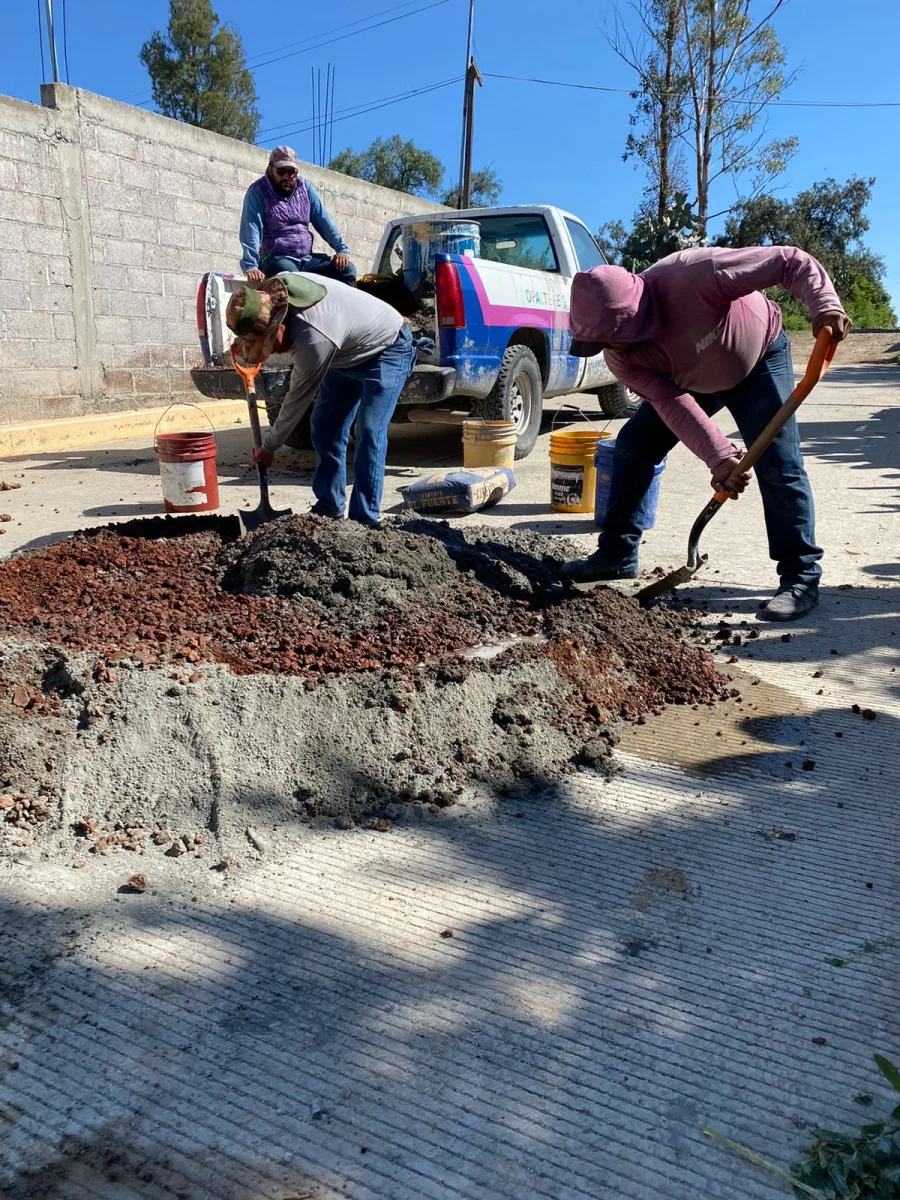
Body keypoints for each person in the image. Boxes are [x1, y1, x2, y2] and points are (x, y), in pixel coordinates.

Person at [562, 247, 851, 621]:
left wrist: (824, 304)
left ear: (634, 314)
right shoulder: (621, 356)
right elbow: (670, 403)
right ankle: (616, 554)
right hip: (690, 380)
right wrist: (719, 456)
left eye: (615, 338)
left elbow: (789, 261)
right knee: (634, 444)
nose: (611, 349)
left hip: (758, 359)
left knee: (779, 464)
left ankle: (800, 576)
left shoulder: (695, 273)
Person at [226, 273, 414, 528]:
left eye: (271, 342)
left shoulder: (314, 339)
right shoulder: (272, 298)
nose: (276, 351)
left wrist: (269, 448)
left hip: (387, 347)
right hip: (344, 351)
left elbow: (296, 401)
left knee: (370, 430)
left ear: (280, 323)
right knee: (326, 427)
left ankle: (365, 519)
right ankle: (329, 506)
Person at [239, 146, 357, 286]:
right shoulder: (257, 192)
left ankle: (337, 307)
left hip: (306, 260)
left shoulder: (305, 189)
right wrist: (251, 266)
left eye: (292, 172)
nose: (286, 177)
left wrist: (341, 249)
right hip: (276, 259)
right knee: (293, 278)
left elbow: (324, 221)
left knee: (348, 270)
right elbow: (251, 230)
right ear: (271, 168)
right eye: (281, 171)